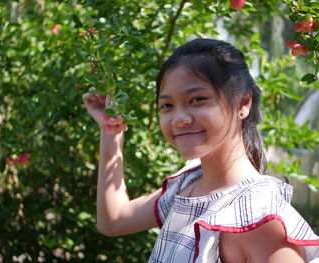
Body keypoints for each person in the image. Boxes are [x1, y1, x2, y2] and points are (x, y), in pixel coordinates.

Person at [82, 38, 319, 263]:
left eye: (197, 99)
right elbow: (113, 221)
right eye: (167, 105)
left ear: (242, 103)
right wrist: (111, 131)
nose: (179, 119)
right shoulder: (188, 185)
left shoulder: (259, 219)